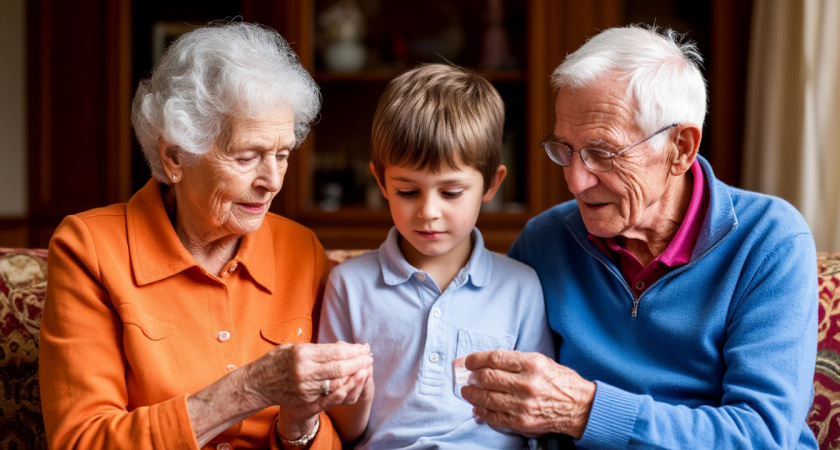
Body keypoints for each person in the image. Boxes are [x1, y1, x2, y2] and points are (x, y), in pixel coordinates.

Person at [460, 25, 819, 448]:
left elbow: (762, 436)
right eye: (565, 150)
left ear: (680, 148)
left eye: (602, 153)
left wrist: (586, 411)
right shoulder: (545, 241)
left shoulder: (769, 240)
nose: (575, 181)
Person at [39, 22, 373, 449]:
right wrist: (247, 388)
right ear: (175, 154)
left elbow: (331, 435)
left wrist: (297, 428)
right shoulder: (90, 249)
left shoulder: (301, 250)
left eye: (283, 155)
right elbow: (80, 441)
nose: (272, 181)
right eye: (247, 156)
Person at [317, 64, 555, 448]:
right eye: (408, 192)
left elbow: (537, 419)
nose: (428, 211)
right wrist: (352, 394)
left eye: (451, 192)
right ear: (380, 182)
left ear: (491, 184)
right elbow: (342, 431)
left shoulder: (521, 287)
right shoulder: (348, 285)